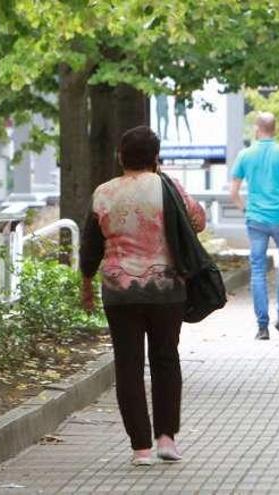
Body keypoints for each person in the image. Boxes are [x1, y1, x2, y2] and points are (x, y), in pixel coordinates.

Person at [80, 125, 206, 466]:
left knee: (128, 365)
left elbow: (91, 243)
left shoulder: (104, 193)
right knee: (166, 359)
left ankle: (140, 448)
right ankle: (167, 438)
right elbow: (198, 221)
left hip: (119, 292)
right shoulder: (169, 187)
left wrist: (86, 282)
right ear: (155, 157)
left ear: (120, 156)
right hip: (167, 290)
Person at [229, 112, 279, 340]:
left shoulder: (245, 155)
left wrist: (245, 209)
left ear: (257, 128)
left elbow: (233, 191)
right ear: (276, 128)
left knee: (258, 269)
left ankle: (262, 327)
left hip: (256, 220)